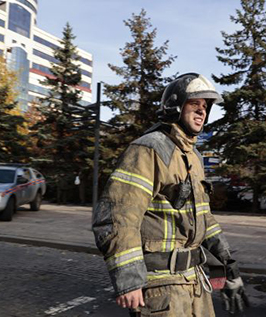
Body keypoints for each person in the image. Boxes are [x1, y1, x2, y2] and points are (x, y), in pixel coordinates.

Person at [92, 73, 248, 316]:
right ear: (174, 106)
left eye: (205, 107)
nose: (202, 112)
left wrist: (228, 267)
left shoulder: (194, 157)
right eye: (194, 104)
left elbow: (205, 219)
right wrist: (129, 279)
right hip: (160, 286)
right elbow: (118, 217)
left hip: (195, 283)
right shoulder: (149, 149)